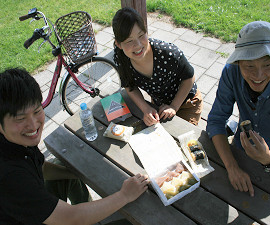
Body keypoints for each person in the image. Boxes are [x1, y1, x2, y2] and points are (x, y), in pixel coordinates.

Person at [0, 68, 149, 224]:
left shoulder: (16, 140)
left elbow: (41, 167)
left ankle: (89, 210)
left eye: (37, 111)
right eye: (20, 119)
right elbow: (70, 218)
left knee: (62, 165)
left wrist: (80, 174)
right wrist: (124, 195)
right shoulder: (9, 176)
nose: (33, 125)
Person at [206, 21, 270, 197]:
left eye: (267, 65)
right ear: (238, 62)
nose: (258, 76)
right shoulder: (231, 72)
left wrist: (268, 159)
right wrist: (232, 167)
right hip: (238, 154)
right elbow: (216, 121)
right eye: (249, 66)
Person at [112, 7, 203, 126]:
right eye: (129, 41)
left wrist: (174, 106)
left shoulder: (168, 53)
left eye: (141, 35)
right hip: (159, 104)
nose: (138, 45)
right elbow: (129, 86)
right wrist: (145, 108)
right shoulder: (121, 58)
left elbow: (189, 78)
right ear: (118, 44)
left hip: (187, 102)